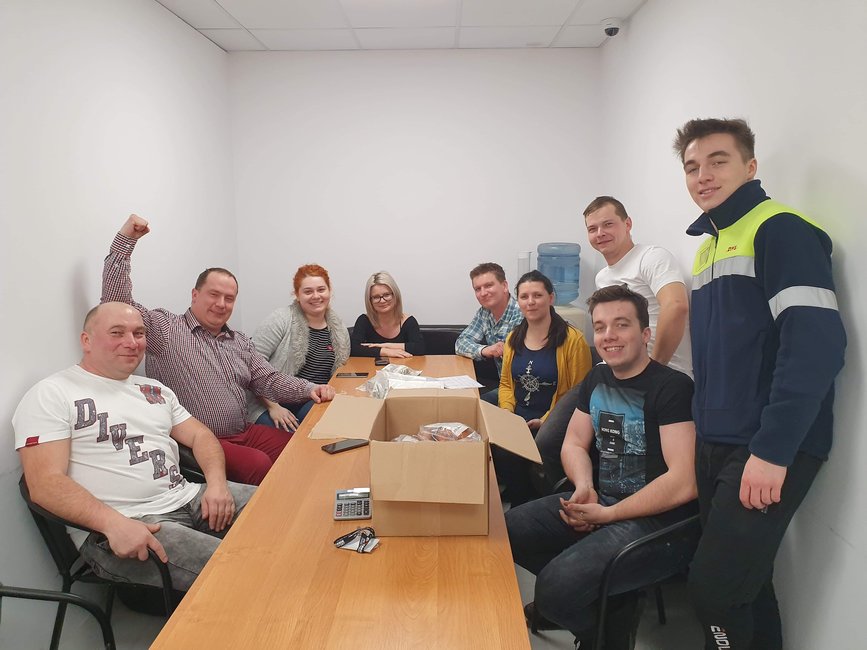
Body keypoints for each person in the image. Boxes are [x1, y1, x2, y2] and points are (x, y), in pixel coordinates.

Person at [673, 117, 846, 649]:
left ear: (750, 166)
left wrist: (772, 449)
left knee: (713, 593)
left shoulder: (780, 229)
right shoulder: (708, 246)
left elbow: (816, 346)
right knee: (747, 585)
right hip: (718, 440)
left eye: (718, 161)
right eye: (692, 167)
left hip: (767, 444)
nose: (703, 175)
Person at [12, 302, 255, 591]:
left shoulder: (154, 389)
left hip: (188, 496)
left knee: (287, 512)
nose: (131, 342)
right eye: (117, 332)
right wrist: (112, 524)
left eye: (139, 333)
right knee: (241, 569)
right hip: (124, 522)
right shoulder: (52, 393)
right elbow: (44, 483)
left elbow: (201, 436)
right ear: (86, 340)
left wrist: (217, 484)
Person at [506, 285, 698, 649]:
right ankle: (611, 610)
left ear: (645, 333)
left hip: (657, 522)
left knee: (553, 592)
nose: (609, 335)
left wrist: (608, 515)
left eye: (621, 325)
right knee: (507, 532)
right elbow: (574, 443)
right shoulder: (597, 378)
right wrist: (584, 486)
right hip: (602, 500)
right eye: (600, 327)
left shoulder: (672, 388)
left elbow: (684, 481)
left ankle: (603, 628)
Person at [102, 215, 335, 486]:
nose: (221, 304)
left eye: (229, 298)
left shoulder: (239, 341)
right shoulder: (166, 329)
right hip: (199, 441)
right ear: (195, 294)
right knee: (258, 465)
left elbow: (269, 380)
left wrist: (310, 389)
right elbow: (117, 305)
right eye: (214, 295)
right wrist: (126, 241)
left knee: (300, 448)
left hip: (242, 431)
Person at [535, 196, 693, 490]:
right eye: (592, 228)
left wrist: (652, 370)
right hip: (612, 374)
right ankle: (579, 497)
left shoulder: (651, 258)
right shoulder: (604, 276)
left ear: (627, 224)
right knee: (549, 440)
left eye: (608, 224)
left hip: (659, 373)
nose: (600, 233)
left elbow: (676, 306)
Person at [496, 270, 592, 506]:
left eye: (537, 295)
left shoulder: (573, 340)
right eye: (524, 296)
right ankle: (519, 501)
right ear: (518, 301)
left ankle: (540, 501)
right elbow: (506, 383)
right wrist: (507, 412)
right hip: (518, 415)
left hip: (554, 417)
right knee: (499, 444)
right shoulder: (512, 339)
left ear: (551, 298)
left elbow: (578, 393)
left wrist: (544, 420)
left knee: (538, 445)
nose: (530, 302)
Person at [247, 264, 350, 431]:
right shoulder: (280, 319)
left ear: (329, 291)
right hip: (270, 402)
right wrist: (274, 407)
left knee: (329, 428)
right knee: (288, 438)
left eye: (321, 290)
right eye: (308, 291)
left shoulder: (339, 329)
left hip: (313, 400)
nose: (316, 296)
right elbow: (251, 365)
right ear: (297, 295)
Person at [455, 262, 524, 404]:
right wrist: (485, 350)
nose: (483, 293)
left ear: (504, 286)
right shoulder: (484, 313)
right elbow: (460, 343)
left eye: (488, 285)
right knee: (457, 402)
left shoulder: (522, 313)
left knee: (470, 407)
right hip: (505, 386)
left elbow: (513, 355)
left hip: (522, 389)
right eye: (477, 289)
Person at [350, 271, 425, 358]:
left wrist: (386, 346)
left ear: (395, 295)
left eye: (386, 295)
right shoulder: (364, 320)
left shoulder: (408, 321)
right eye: (376, 297)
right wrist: (385, 351)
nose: (382, 301)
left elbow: (420, 348)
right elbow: (353, 349)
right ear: (370, 300)